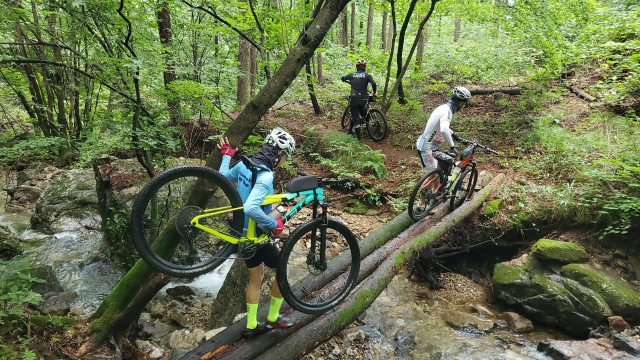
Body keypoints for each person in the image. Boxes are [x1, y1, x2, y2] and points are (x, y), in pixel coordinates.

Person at [216, 128, 296, 338]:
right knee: (283, 269)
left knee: (256, 277)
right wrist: (274, 224)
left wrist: (226, 157)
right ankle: (273, 318)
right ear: (278, 153)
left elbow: (223, 176)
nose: (284, 162)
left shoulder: (244, 164)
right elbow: (251, 208)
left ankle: (251, 325)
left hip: (241, 235)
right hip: (256, 235)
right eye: (285, 156)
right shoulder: (266, 175)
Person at [415, 86, 471, 188]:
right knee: (433, 174)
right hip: (426, 148)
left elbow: (440, 126)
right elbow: (444, 129)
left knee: (437, 171)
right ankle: (421, 202)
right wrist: (452, 147)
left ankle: (436, 193)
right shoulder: (447, 112)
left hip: (427, 145)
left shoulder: (443, 108)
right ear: (460, 103)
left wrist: (454, 134)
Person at [341, 59, 378, 141]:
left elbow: (343, 78)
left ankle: (359, 140)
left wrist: (345, 80)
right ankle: (350, 131)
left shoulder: (352, 75)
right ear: (364, 68)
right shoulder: (367, 75)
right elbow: (374, 84)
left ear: (357, 67)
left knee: (356, 118)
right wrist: (375, 92)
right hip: (364, 99)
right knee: (360, 114)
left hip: (354, 99)